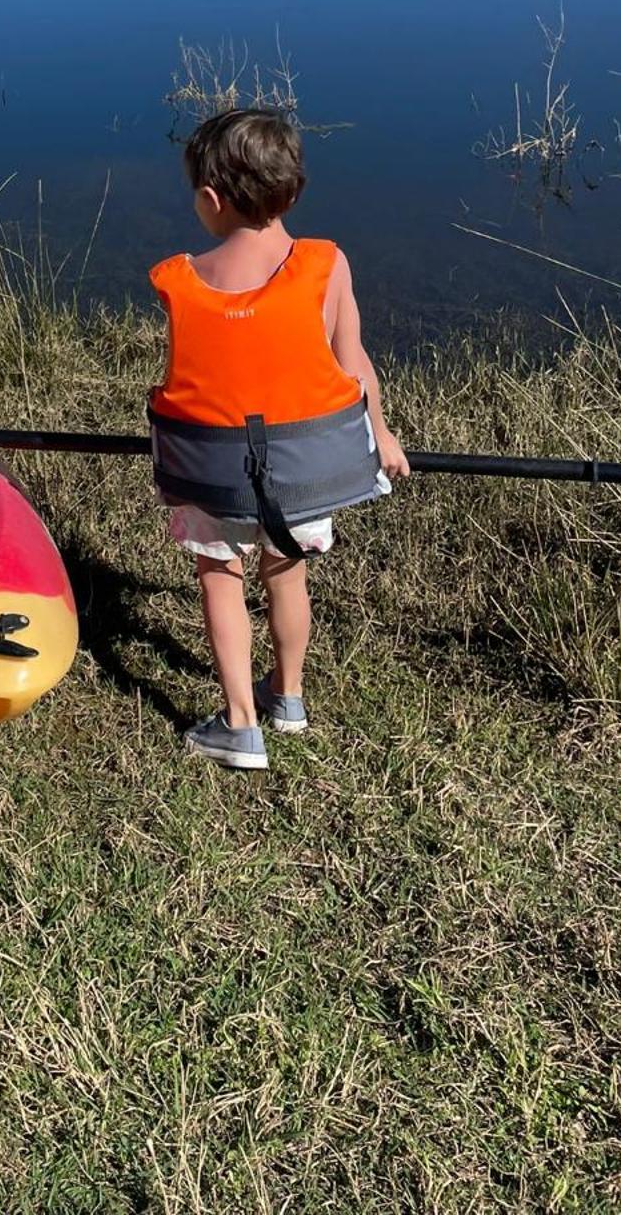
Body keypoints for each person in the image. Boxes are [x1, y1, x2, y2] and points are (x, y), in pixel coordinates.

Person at [149, 109, 408, 771]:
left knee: (219, 574)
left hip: (214, 474)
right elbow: (352, 362)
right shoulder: (327, 264)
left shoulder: (181, 278)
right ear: (293, 193)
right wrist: (380, 432)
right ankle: (287, 698)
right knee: (286, 574)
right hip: (304, 470)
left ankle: (239, 724)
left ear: (210, 201)